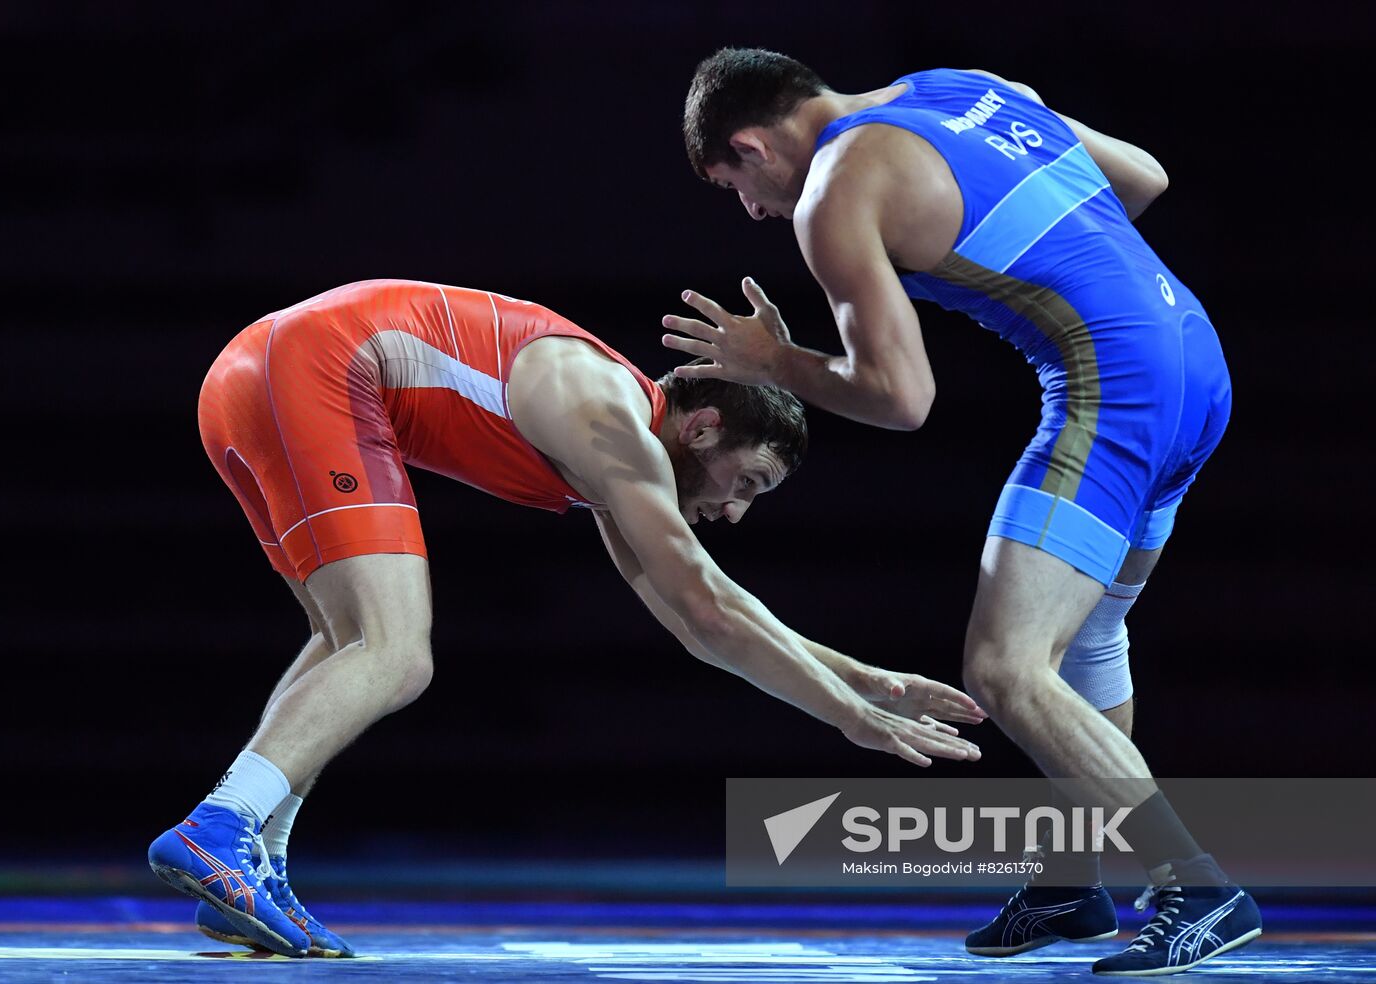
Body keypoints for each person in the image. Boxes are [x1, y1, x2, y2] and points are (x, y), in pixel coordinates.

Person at [147, 278, 985, 958]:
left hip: (249, 376)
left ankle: (252, 861)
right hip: (320, 368)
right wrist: (852, 719)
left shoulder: (615, 459)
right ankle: (222, 824)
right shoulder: (611, 423)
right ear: (703, 426)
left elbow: (698, 626)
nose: (734, 512)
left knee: (347, 642)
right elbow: (708, 600)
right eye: (747, 482)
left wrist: (864, 680)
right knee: (397, 655)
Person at [664, 49, 1261, 976]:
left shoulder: (834, 193)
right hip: (1195, 355)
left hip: (1117, 389)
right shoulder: (966, 88)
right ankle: (1072, 879)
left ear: (747, 143)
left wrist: (774, 363)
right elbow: (1144, 178)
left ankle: (1196, 884)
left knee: (1004, 665)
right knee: (1088, 643)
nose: (751, 210)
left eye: (733, 184)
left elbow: (902, 399)